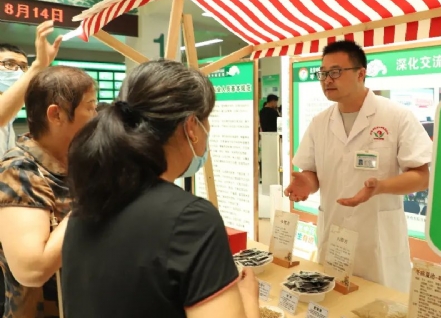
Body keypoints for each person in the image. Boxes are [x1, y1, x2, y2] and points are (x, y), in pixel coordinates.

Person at [62, 60, 259, 318]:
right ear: (191, 127)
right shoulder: (191, 220)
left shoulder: (88, 203)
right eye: (207, 119)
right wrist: (248, 299)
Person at [285, 40, 431, 293]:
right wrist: (306, 183)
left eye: (335, 72)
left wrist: (381, 187)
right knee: (333, 297)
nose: (327, 80)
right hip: (334, 232)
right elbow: (311, 171)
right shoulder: (320, 122)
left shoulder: (396, 116)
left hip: (377, 237)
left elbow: (421, 176)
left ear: (361, 73)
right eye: (323, 73)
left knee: (379, 301)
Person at [0, 65, 97, 318]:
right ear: (56, 115)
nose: (96, 116)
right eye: (90, 106)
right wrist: (94, 193)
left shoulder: (80, 162)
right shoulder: (20, 170)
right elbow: (32, 270)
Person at [0, 21, 62, 156]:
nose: (18, 71)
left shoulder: (11, 116)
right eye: (9, 64)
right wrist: (39, 65)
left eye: (23, 67)